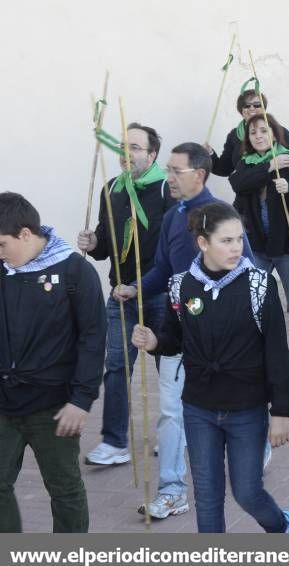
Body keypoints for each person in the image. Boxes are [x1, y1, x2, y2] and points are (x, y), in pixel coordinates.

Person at [132, 202, 289, 533]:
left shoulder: (259, 285)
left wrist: (280, 412)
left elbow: (277, 352)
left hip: (246, 408)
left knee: (247, 491)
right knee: (207, 496)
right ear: (203, 243)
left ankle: (281, 525)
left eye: (239, 239)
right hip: (198, 407)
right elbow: (174, 339)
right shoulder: (181, 286)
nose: (236, 248)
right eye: (226, 241)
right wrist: (154, 342)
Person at [115, 142, 254, 520]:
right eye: (169, 169)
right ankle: (173, 489)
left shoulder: (221, 216)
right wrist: (136, 287)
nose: (169, 176)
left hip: (221, 341)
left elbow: (250, 272)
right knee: (171, 412)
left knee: (227, 409)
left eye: (176, 171)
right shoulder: (175, 215)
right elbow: (163, 268)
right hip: (177, 331)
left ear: (200, 175)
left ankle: (255, 448)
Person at [0, 192, 106, 532]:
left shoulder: (75, 271)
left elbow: (93, 338)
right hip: (4, 403)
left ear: (26, 234)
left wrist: (81, 399)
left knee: (64, 491)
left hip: (54, 408)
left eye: (2, 244)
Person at [77, 123, 175, 467]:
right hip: (120, 295)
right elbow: (105, 246)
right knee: (116, 367)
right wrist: (94, 243)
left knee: (169, 367)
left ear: (151, 154)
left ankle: (174, 434)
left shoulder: (166, 189)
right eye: (123, 147)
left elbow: (174, 247)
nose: (127, 153)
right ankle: (115, 442)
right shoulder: (111, 189)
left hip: (160, 294)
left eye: (135, 147)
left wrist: (146, 283)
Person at [229, 113, 289, 314]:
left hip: (287, 244)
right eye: (253, 132)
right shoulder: (246, 163)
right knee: (253, 299)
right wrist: (269, 166)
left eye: (263, 131)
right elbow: (238, 183)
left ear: (275, 135)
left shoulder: (287, 159)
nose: (258, 136)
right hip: (257, 246)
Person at [205, 89, 289, 178]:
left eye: (257, 105)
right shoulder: (234, 135)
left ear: (263, 108)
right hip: (247, 190)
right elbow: (224, 169)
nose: (252, 108)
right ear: (241, 110)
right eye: (246, 105)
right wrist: (209, 153)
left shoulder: (279, 131)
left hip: (278, 188)